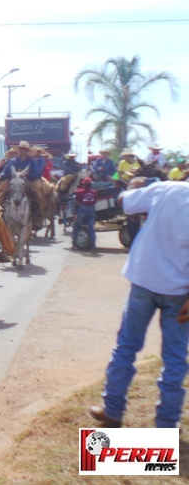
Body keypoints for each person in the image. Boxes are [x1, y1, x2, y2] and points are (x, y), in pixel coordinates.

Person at [89, 179, 189, 429]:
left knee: (126, 346)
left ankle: (112, 410)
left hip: (144, 282)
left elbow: (124, 200)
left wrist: (133, 188)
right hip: (181, 293)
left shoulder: (167, 188)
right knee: (174, 357)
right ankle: (167, 423)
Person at [72, 177, 97, 250]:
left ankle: (74, 245)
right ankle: (93, 246)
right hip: (91, 210)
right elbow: (94, 202)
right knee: (91, 229)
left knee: (76, 227)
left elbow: (76, 202)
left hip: (82, 210)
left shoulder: (80, 192)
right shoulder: (94, 192)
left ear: (85, 185)